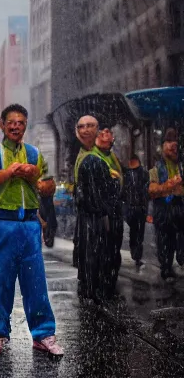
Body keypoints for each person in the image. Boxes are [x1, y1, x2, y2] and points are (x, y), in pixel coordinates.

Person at [0, 104, 63, 358]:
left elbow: (48, 187)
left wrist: (34, 176)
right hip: (1, 222)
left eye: (21, 123)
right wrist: (11, 171)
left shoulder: (35, 154)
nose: (16, 127)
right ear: (2, 124)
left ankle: (43, 334)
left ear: (25, 126)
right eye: (11, 122)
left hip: (28, 224)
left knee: (35, 281)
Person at [73, 115, 117, 303]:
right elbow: (89, 192)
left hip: (98, 216)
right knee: (92, 256)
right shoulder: (88, 158)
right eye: (81, 126)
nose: (85, 130)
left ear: (97, 129)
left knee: (95, 256)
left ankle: (93, 291)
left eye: (90, 126)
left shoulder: (100, 156)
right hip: (93, 217)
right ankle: (93, 293)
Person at [148, 128, 184, 281]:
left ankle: (179, 260)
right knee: (165, 240)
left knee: (181, 240)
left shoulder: (181, 166)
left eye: (175, 142)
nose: (173, 145)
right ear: (163, 145)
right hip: (163, 208)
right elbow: (152, 190)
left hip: (179, 206)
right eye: (169, 142)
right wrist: (168, 186)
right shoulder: (156, 168)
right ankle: (166, 269)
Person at [93, 126, 124, 289]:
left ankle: (111, 276)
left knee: (115, 244)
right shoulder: (94, 156)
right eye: (101, 133)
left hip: (115, 207)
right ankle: (104, 279)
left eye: (108, 133)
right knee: (104, 244)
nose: (106, 136)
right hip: (103, 208)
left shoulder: (112, 156)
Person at [122, 155, 150, 270]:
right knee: (135, 232)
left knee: (138, 233)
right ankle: (135, 253)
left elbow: (146, 190)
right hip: (132, 207)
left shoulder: (143, 173)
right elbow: (123, 191)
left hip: (139, 207)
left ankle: (137, 255)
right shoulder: (127, 174)